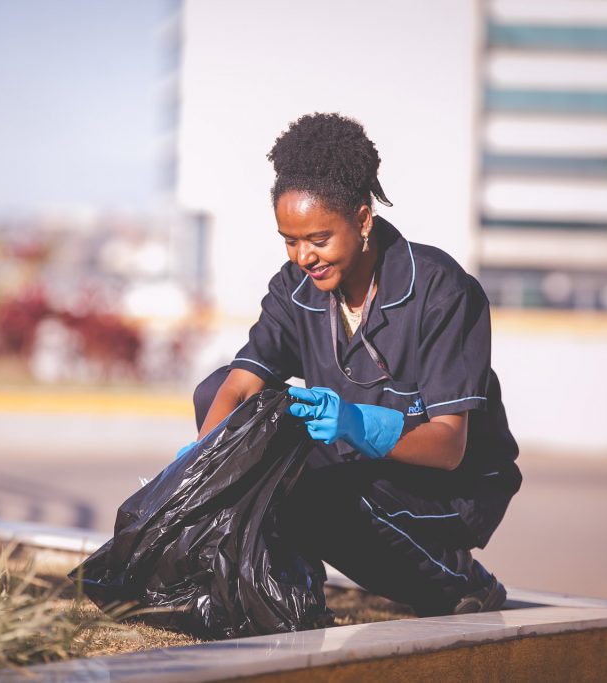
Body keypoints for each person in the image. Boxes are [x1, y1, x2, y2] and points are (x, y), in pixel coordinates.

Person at [187, 113, 521, 617]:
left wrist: (358, 423)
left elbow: (450, 445)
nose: (303, 256)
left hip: (444, 488)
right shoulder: (295, 288)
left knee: (310, 488)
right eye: (289, 240)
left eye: (318, 239)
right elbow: (234, 390)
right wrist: (199, 472)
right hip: (352, 467)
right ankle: (288, 590)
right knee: (219, 401)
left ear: (363, 220)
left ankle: (458, 580)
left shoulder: (441, 292)